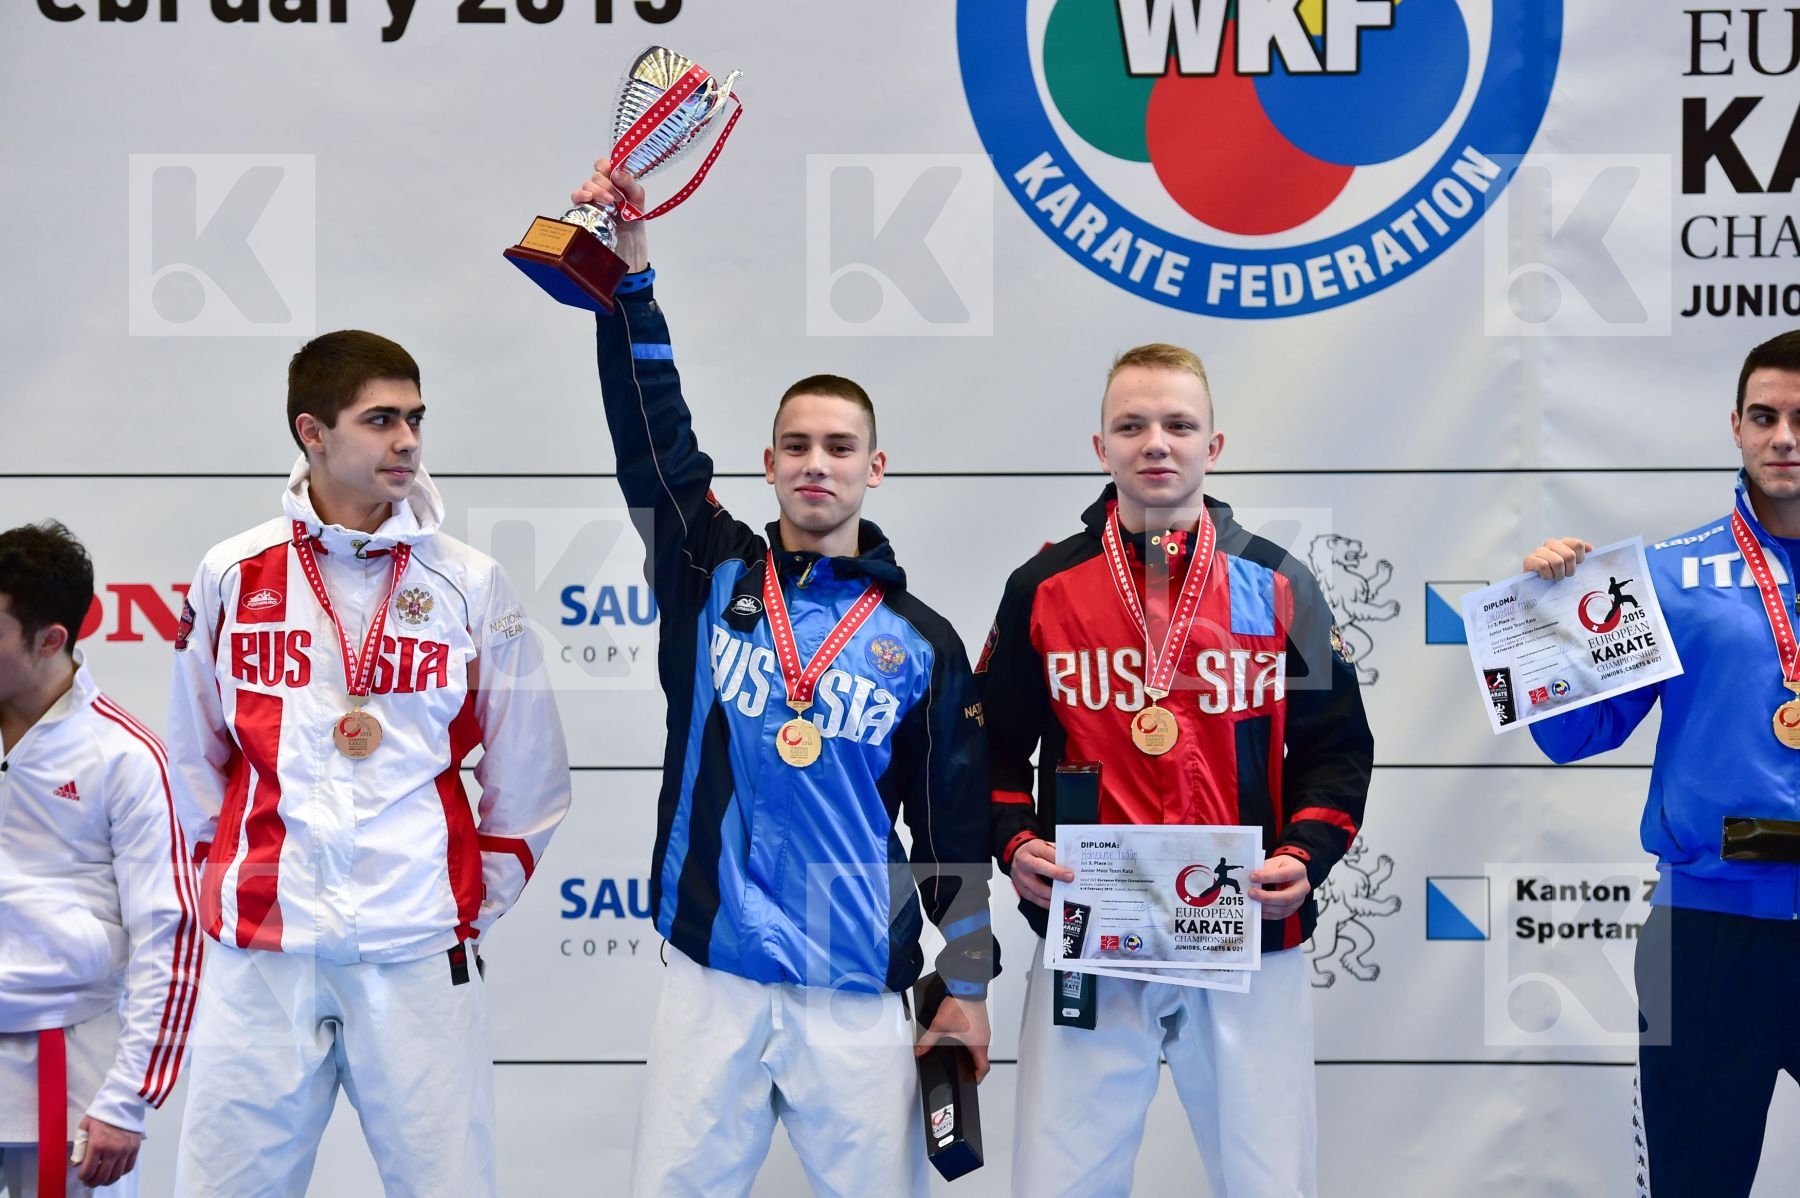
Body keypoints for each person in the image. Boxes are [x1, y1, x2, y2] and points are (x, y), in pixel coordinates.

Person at [575, 165, 997, 1198]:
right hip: (712, 974)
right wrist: (633, 274)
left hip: (857, 990)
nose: (818, 463)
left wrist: (970, 983)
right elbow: (652, 441)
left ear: (875, 467)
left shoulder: (921, 641)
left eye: (839, 447)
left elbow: (953, 833)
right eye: (798, 445)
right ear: (767, 462)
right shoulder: (707, 569)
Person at [164, 331, 572, 1197]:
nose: (408, 441)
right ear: (313, 432)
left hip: (417, 952)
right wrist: (224, 878)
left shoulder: (471, 581)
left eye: (415, 418)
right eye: (380, 419)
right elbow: (194, 758)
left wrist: (458, 906)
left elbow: (530, 775)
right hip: (262, 952)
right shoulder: (232, 573)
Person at [981, 343, 1374, 1197]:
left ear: (1214, 445)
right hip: (1092, 925)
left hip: (1245, 928)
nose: (1155, 442)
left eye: (1177, 425)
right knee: (1061, 1181)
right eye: (1132, 425)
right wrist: (1014, 840)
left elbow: (1335, 748)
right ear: (1101, 447)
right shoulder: (1043, 586)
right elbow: (993, 748)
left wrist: (1304, 856)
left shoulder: (1278, 584)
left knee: (1269, 1180)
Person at [1523, 329, 1800, 1198]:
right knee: (1695, 1185)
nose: (1785, 435)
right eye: (1765, 416)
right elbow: (1572, 737)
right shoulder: (1667, 576)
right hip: (1709, 933)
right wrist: (1547, 619)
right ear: (1736, 427)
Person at [0, 521, 199, 1198]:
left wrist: (128, 1097)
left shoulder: (126, 756)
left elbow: (169, 938)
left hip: (70, 1069)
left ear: (51, 640)